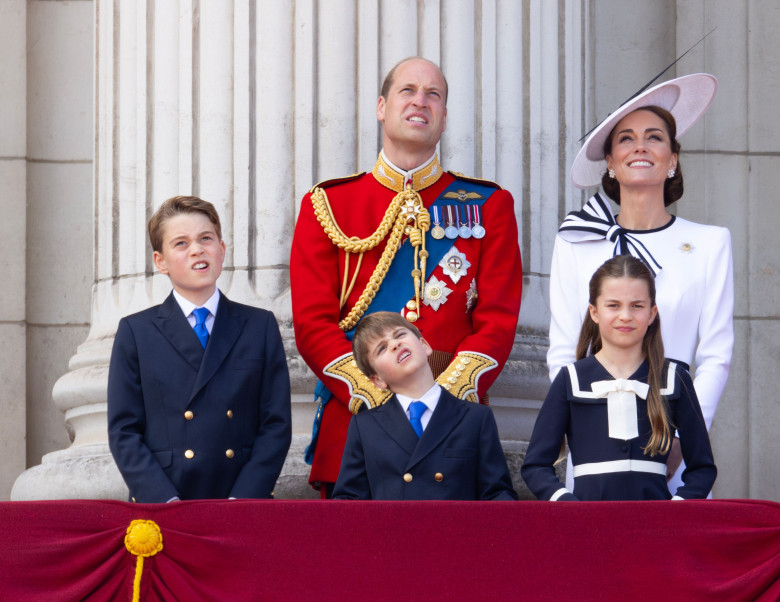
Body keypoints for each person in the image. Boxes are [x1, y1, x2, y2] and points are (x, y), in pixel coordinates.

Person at [291, 57, 522, 496]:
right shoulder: (328, 204)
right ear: (382, 107)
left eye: (433, 94)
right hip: (358, 420)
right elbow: (311, 323)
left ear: (444, 116)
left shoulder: (489, 204)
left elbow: (498, 318)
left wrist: (442, 401)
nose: (421, 101)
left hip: (454, 427)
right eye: (408, 91)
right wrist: (381, 401)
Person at [548, 74, 732, 494]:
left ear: (673, 159)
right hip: (593, 433)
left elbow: (716, 355)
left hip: (675, 430)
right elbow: (562, 349)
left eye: (654, 137)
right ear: (609, 161)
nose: (640, 147)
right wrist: (582, 427)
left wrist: (684, 439)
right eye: (626, 139)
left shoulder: (710, 243)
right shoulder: (577, 241)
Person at [107, 196, 292, 502]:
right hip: (166, 503)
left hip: (240, 502)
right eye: (181, 243)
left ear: (221, 248)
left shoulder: (259, 326)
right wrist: (164, 501)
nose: (197, 250)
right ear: (160, 261)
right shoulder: (136, 332)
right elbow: (124, 431)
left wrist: (242, 500)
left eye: (206, 238)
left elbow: (275, 423)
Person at [523, 256, 716, 500]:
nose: (625, 315)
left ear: (652, 313)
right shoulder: (570, 379)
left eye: (637, 305)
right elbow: (536, 466)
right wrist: (567, 505)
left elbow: (702, 468)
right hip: (588, 528)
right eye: (613, 305)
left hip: (656, 529)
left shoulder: (675, 378)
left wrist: (675, 509)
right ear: (594, 312)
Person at [332, 312, 517, 500]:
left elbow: (497, 495)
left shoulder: (475, 417)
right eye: (382, 348)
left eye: (400, 335)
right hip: (392, 529)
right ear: (377, 380)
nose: (395, 344)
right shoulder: (365, 427)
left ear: (424, 345)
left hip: (457, 529)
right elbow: (348, 502)